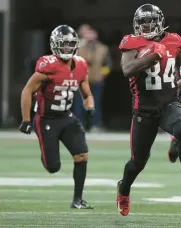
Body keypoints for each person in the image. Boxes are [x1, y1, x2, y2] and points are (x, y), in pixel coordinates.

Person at [116, 4, 181, 221]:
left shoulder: (174, 40)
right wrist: (151, 56)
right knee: (137, 162)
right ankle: (124, 188)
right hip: (144, 110)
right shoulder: (132, 42)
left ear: (160, 21)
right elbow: (127, 70)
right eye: (142, 23)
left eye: (150, 21)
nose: (147, 26)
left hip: (169, 103)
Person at [19, 25, 95, 209]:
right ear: (54, 45)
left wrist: (90, 107)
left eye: (71, 44)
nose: (68, 48)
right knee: (53, 167)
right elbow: (27, 91)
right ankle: (47, 153)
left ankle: (77, 200)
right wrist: (26, 119)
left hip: (67, 117)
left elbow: (87, 93)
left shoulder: (81, 65)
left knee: (82, 155)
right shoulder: (48, 65)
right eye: (64, 44)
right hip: (46, 119)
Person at [77, 24, 112, 131]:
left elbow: (108, 64)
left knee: (95, 103)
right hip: (82, 80)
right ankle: (79, 125)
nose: (89, 35)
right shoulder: (78, 47)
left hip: (97, 80)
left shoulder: (103, 48)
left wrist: (103, 74)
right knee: (79, 103)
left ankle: (95, 125)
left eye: (90, 32)